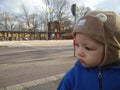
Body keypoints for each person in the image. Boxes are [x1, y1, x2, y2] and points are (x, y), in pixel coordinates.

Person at [57, 10, 120, 90]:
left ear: (111, 50)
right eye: (77, 45)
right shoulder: (73, 76)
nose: (78, 53)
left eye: (88, 48)